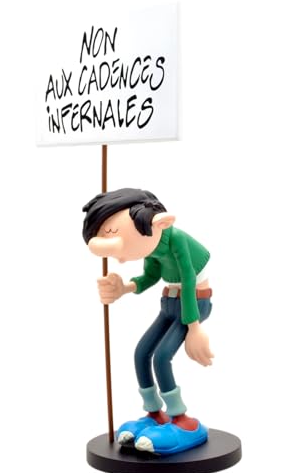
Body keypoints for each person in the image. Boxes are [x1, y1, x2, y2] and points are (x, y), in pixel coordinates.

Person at [82, 188, 214, 455]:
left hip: (193, 303)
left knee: (162, 357)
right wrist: (124, 288)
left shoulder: (175, 239)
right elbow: (151, 277)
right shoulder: (152, 245)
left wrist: (194, 327)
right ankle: (154, 413)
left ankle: (181, 419)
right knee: (141, 352)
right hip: (168, 302)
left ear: (157, 223)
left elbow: (188, 279)